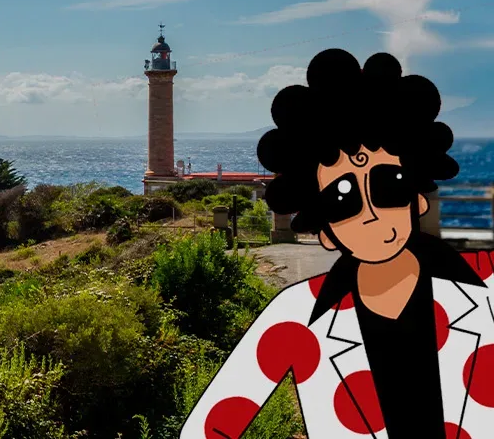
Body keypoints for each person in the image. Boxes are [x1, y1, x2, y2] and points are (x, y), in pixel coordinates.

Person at [180, 48, 494, 438]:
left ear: (417, 198)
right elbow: (208, 426)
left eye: (388, 185)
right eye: (342, 200)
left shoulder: (488, 285)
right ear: (324, 230)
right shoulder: (294, 318)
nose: (372, 212)